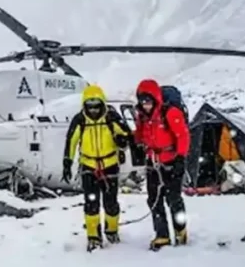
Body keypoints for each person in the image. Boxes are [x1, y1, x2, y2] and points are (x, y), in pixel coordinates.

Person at [62, 84, 132, 252]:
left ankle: (112, 231)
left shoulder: (111, 117)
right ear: (84, 105)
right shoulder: (80, 120)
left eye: (96, 106)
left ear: (102, 104)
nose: (93, 110)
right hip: (89, 167)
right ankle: (93, 236)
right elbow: (71, 141)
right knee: (91, 203)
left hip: (110, 166)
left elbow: (127, 135)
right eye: (90, 106)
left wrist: (122, 141)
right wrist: (67, 162)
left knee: (111, 203)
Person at [134, 79, 190, 251]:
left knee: (174, 199)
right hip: (153, 163)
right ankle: (162, 235)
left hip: (172, 161)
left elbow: (183, 135)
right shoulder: (142, 117)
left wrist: (180, 158)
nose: (145, 105)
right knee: (154, 199)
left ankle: (180, 230)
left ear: (155, 99)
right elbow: (140, 136)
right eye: (142, 101)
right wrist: (132, 140)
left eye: (148, 101)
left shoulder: (170, 113)